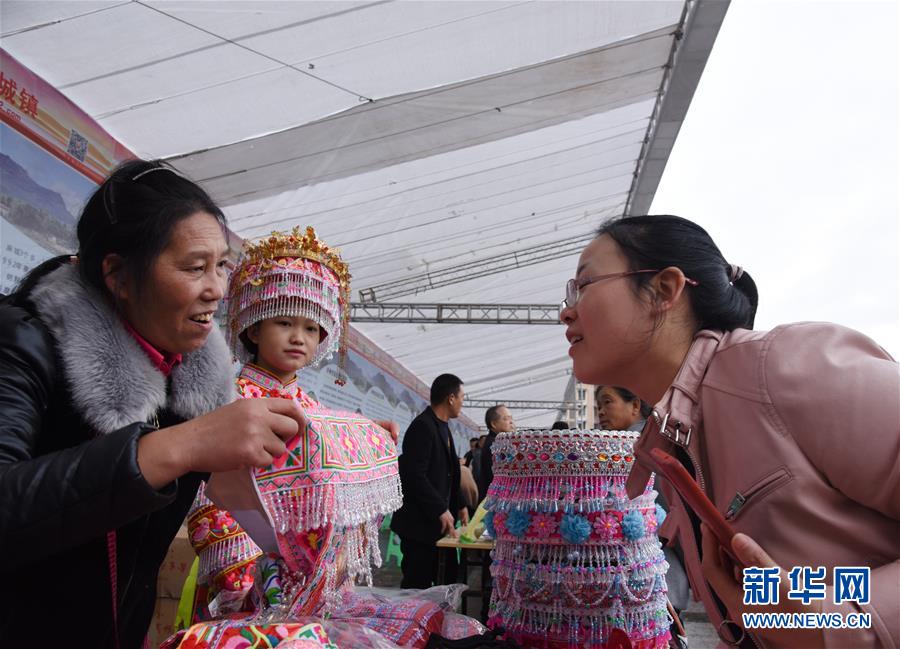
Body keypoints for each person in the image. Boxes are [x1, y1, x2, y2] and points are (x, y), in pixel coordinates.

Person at [0, 160, 303, 648]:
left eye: (222, 265)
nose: (217, 289)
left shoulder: (183, 370)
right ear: (118, 274)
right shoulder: (22, 341)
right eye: (194, 267)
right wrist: (177, 447)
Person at [561, 214, 899, 648]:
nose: (566, 311)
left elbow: (808, 624)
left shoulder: (786, 369)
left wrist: (836, 625)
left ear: (665, 289)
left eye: (583, 285)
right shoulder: (670, 442)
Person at [185, 225, 402, 622]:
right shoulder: (230, 402)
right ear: (254, 326)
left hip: (311, 584)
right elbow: (205, 492)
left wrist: (370, 438)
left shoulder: (314, 409)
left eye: (311, 328)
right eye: (284, 322)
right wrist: (244, 573)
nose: (299, 338)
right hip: (248, 581)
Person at [391, 373, 468, 589]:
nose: (462, 403)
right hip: (419, 525)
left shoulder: (443, 427)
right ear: (451, 398)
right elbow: (414, 475)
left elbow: (451, 472)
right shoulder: (422, 427)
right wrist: (440, 509)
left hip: (438, 524)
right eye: (462, 397)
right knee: (417, 584)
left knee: (448, 578)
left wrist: (460, 503)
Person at [476, 404, 514, 503]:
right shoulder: (495, 444)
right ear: (493, 424)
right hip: (495, 501)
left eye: (511, 418)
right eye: (506, 419)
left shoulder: (498, 441)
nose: (511, 422)